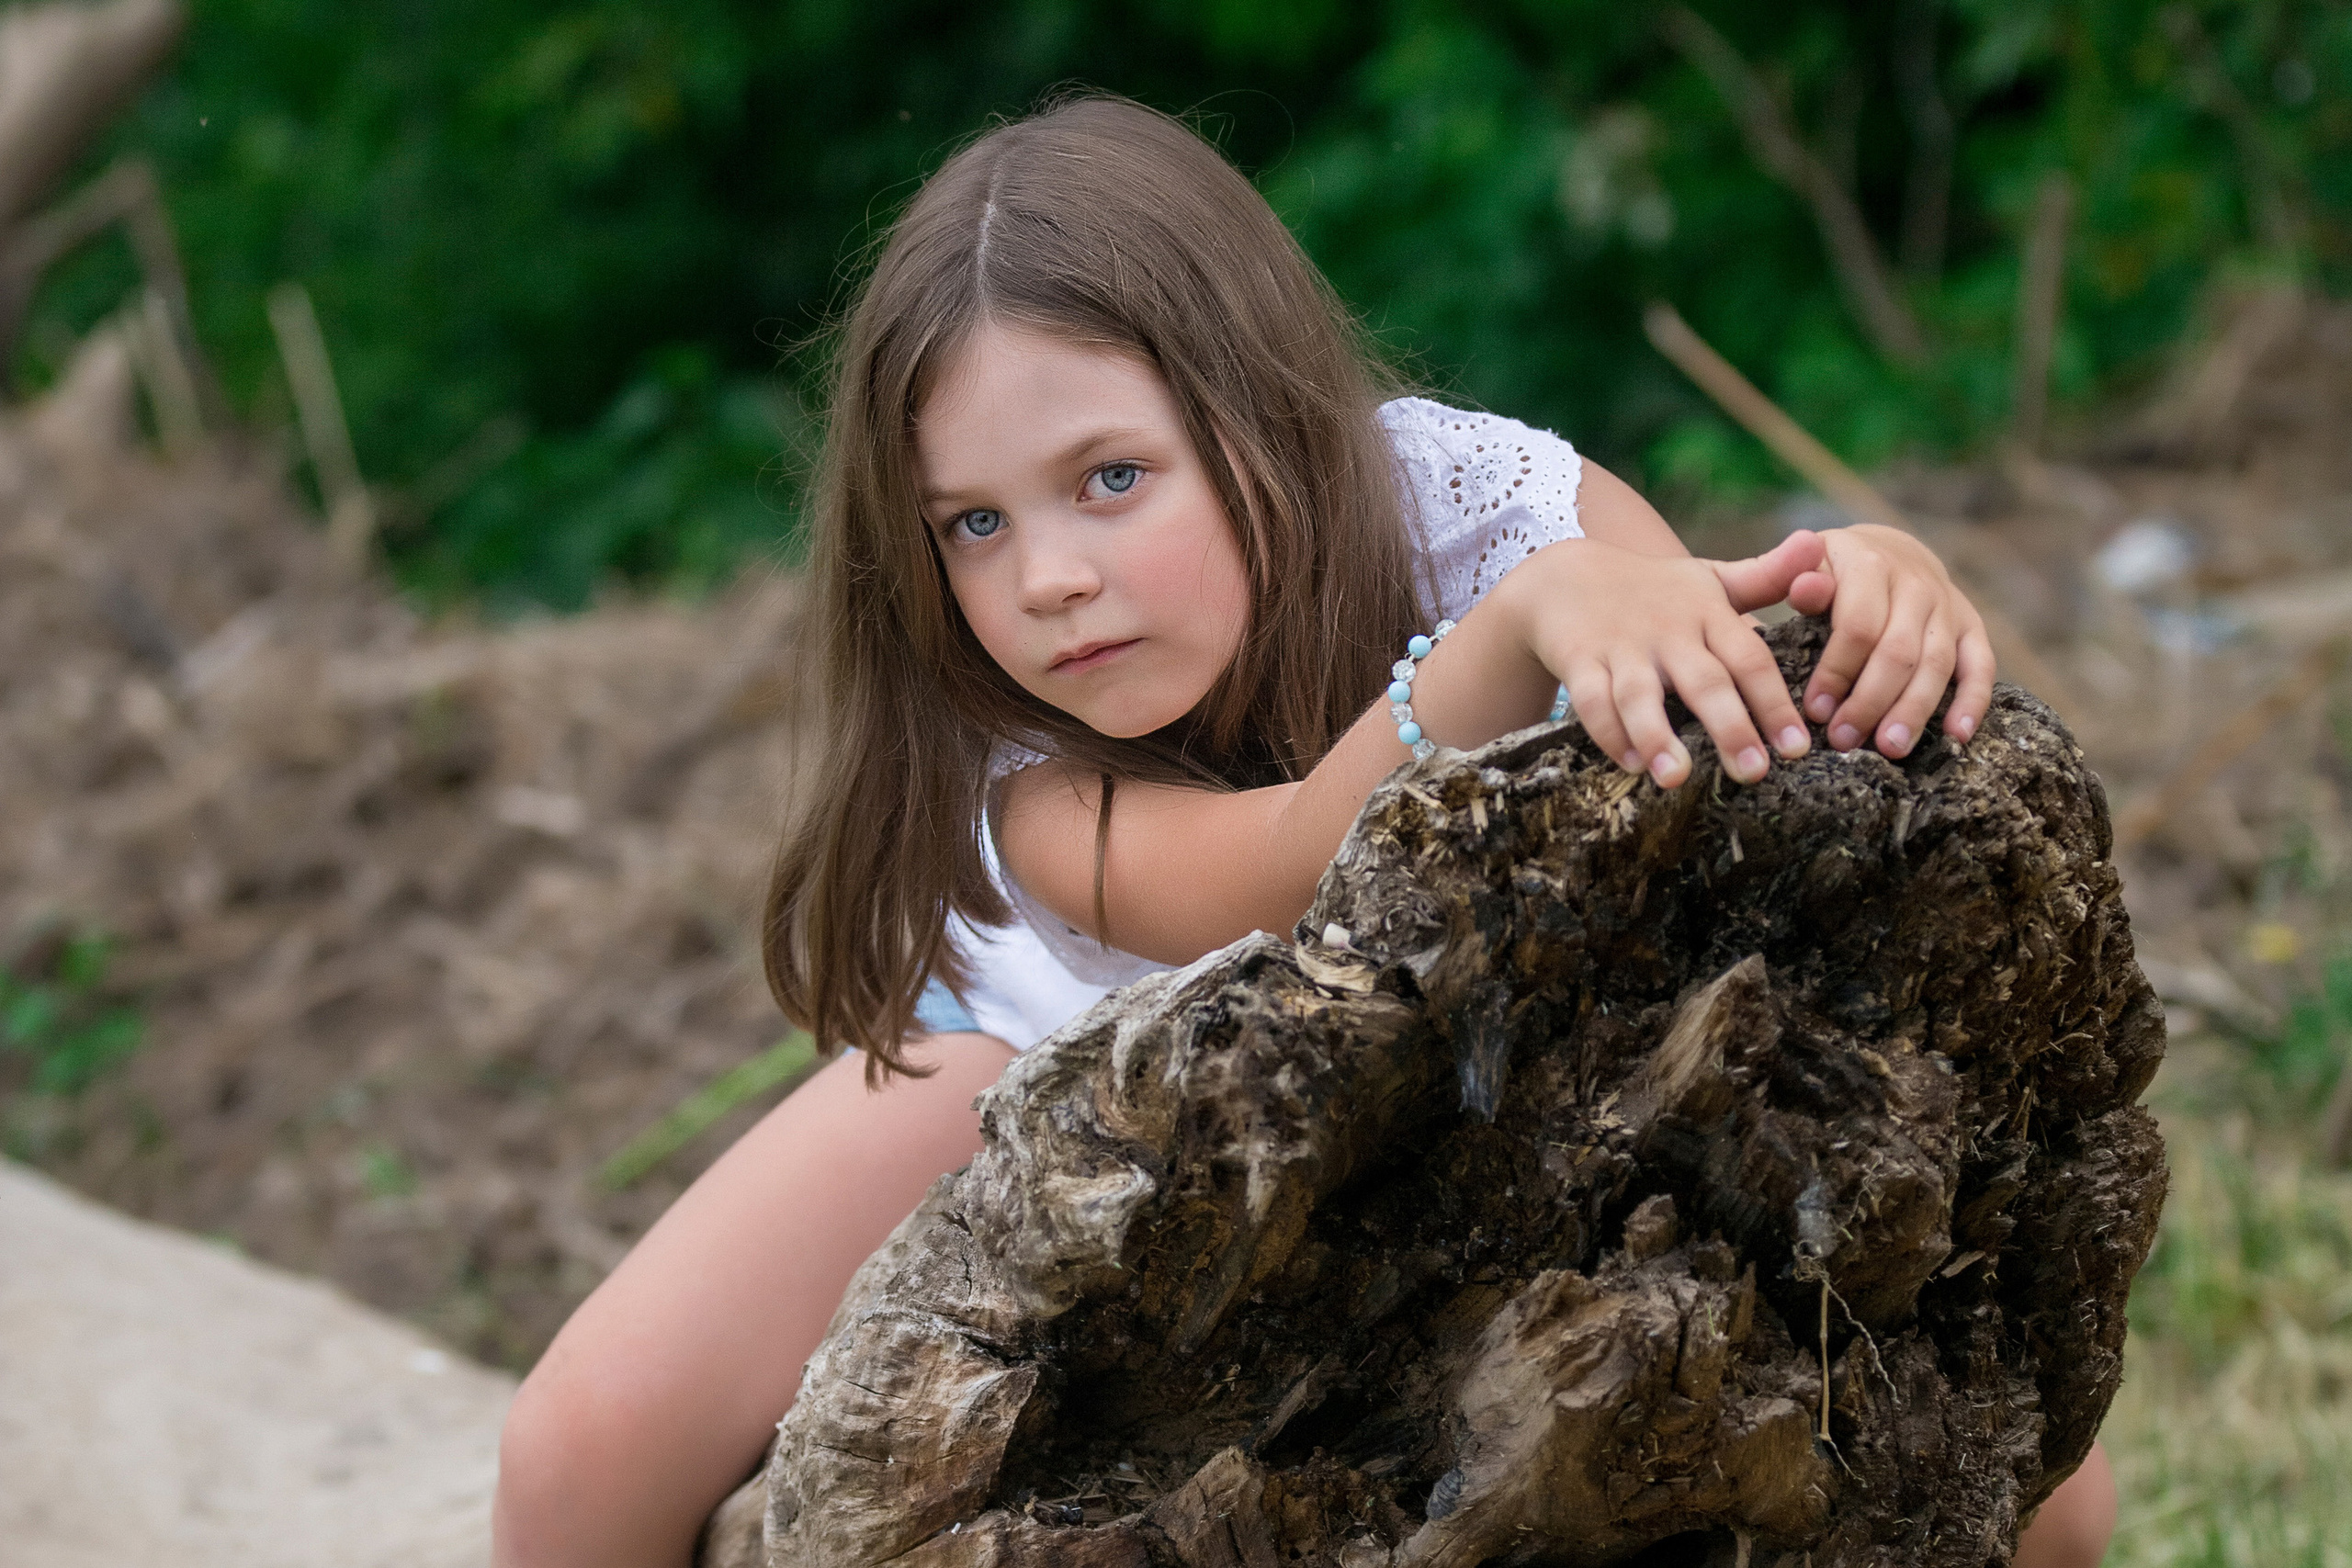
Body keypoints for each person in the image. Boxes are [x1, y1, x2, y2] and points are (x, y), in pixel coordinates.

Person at [492, 94, 2114, 1568]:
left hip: (1473, 1075)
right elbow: (1268, 882)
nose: (1046, 576)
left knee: (2036, 1481)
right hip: (1056, 1058)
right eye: (974, 524)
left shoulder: (1473, 509)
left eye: (1110, 478)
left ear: (1258, 414)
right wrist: (1506, 642)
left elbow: (1712, 698)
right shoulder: (1009, 752)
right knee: (581, 1448)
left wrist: (1862, 582)